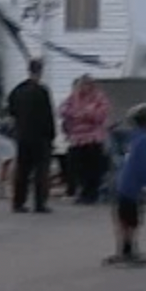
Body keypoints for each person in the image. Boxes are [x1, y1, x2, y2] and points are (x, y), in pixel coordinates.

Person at [107, 102, 146, 267]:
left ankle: (125, 249)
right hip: (131, 186)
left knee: (126, 218)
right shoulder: (144, 140)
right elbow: (143, 166)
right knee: (132, 220)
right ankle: (128, 251)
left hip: (123, 183)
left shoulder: (136, 136)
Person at [6, 61, 56, 213]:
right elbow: (48, 116)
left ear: (28, 70)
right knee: (41, 171)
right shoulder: (42, 91)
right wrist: (52, 134)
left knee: (22, 170)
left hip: (22, 136)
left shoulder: (17, 90)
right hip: (40, 137)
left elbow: (11, 110)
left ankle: (18, 202)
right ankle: (40, 203)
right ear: (40, 71)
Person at [60, 76, 113, 205]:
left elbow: (101, 115)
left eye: (87, 85)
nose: (84, 88)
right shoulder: (74, 97)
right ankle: (82, 192)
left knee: (93, 169)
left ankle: (92, 195)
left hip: (94, 139)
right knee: (78, 168)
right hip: (77, 139)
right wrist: (82, 113)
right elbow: (62, 109)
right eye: (82, 85)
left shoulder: (99, 97)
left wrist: (83, 114)